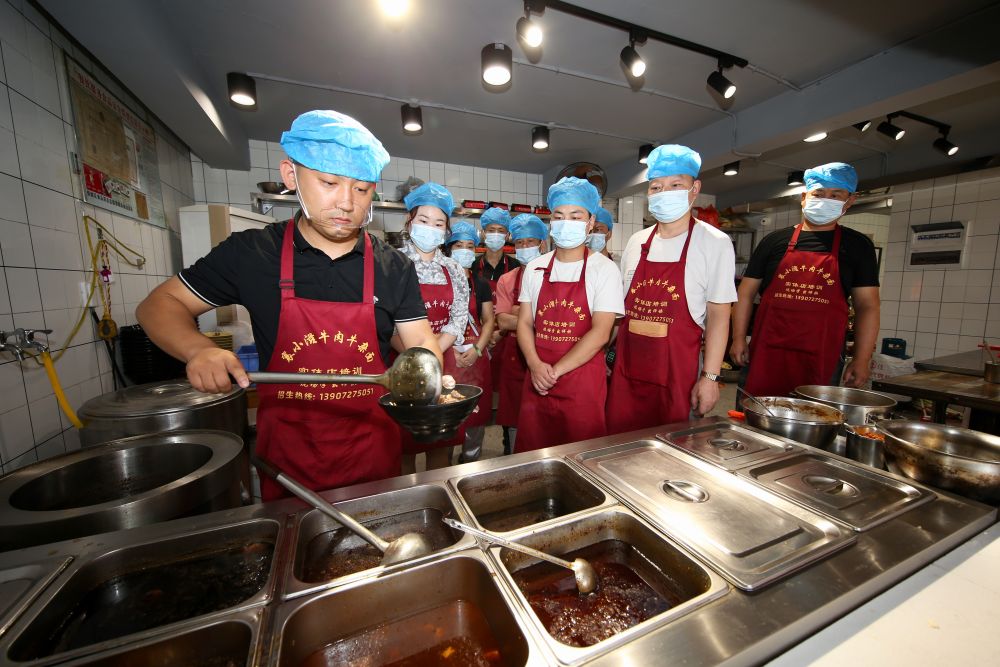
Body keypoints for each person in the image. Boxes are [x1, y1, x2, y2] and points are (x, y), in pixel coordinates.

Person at [136, 110, 440, 501]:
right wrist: (198, 349)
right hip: (290, 464)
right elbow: (159, 304)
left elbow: (421, 343)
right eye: (329, 183)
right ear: (291, 175)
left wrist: (430, 378)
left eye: (362, 189)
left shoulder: (393, 266)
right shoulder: (252, 254)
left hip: (371, 456)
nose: (346, 202)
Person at [606, 145, 737, 432]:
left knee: (674, 445)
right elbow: (620, 313)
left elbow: (719, 316)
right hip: (627, 371)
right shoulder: (637, 242)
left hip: (679, 375)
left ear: (694, 189)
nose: (664, 193)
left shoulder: (714, 243)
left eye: (676, 185)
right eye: (656, 187)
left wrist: (710, 378)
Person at [731, 162, 879, 397]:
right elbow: (745, 294)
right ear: (804, 198)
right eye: (818, 194)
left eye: (835, 195)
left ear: (850, 200)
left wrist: (862, 359)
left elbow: (867, 306)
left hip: (821, 356)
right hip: (766, 353)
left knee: (814, 415)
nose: (825, 200)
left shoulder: (858, 246)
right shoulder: (774, 241)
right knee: (753, 412)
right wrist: (738, 338)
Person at [516, 178, 625, 451]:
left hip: (581, 383)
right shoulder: (535, 268)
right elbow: (525, 323)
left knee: (580, 456)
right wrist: (534, 364)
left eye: (576, 217)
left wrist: (554, 371)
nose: (566, 223)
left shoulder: (604, 270)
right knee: (533, 457)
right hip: (537, 377)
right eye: (559, 216)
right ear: (551, 222)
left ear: (590, 222)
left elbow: (601, 332)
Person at [397, 182, 470, 473]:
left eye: (438, 223)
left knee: (440, 442)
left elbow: (458, 318)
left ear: (446, 230)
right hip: (401, 361)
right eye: (423, 220)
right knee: (402, 445)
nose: (431, 228)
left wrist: (432, 353)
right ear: (409, 222)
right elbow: (385, 322)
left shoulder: (454, 269)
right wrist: (415, 357)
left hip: (444, 361)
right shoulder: (392, 262)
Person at [494, 214, 547, 453]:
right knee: (514, 417)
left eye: (530, 241)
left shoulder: (555, 274)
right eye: (519, 243)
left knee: (543, 417)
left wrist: (519, 315)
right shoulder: (507, 279)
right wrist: (539, 320)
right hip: (515, 357)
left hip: (548, 355)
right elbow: (503, 321)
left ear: (542, 244)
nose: (525, 247)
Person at [470, 206, 521, 450]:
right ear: (483, 233)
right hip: (476, 340)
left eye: (501, 230)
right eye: (491, 230)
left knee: (509, 397)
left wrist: (499, 332)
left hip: (506, 340)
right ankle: (472, 448)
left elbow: (519, 310)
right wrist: (484, 336)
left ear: (508, 235)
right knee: (475, 394)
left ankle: (507, 442)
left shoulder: (517, 266)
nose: (496, 235)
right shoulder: (471, 266)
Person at [445, 221, 495, 463]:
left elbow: (489, 320)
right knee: (447, 413)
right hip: (447, 355)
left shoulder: (480, 283)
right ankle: (443, 462)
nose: (465, 251)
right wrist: (448, 352)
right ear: (448, 249)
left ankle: (470, 461)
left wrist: (477, 349)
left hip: (476, 356)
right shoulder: (440, 281)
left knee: (476, 415)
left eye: (469, 246)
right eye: (459, 246)